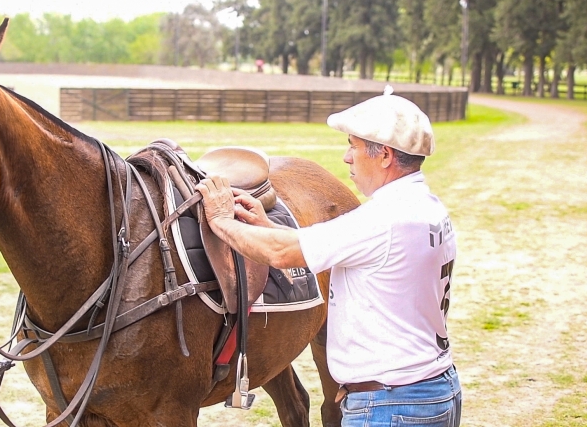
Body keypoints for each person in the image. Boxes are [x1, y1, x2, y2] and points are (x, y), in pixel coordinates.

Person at [196, 92, 462, 427]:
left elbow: (280, 252)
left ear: (385, 156)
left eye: (354, 146)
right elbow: (328, 249)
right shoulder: (427, 208)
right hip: (431, 388)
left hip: (391, 405)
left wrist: (221, 220)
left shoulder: (383, 220)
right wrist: (265, 226)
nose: (347, 157)